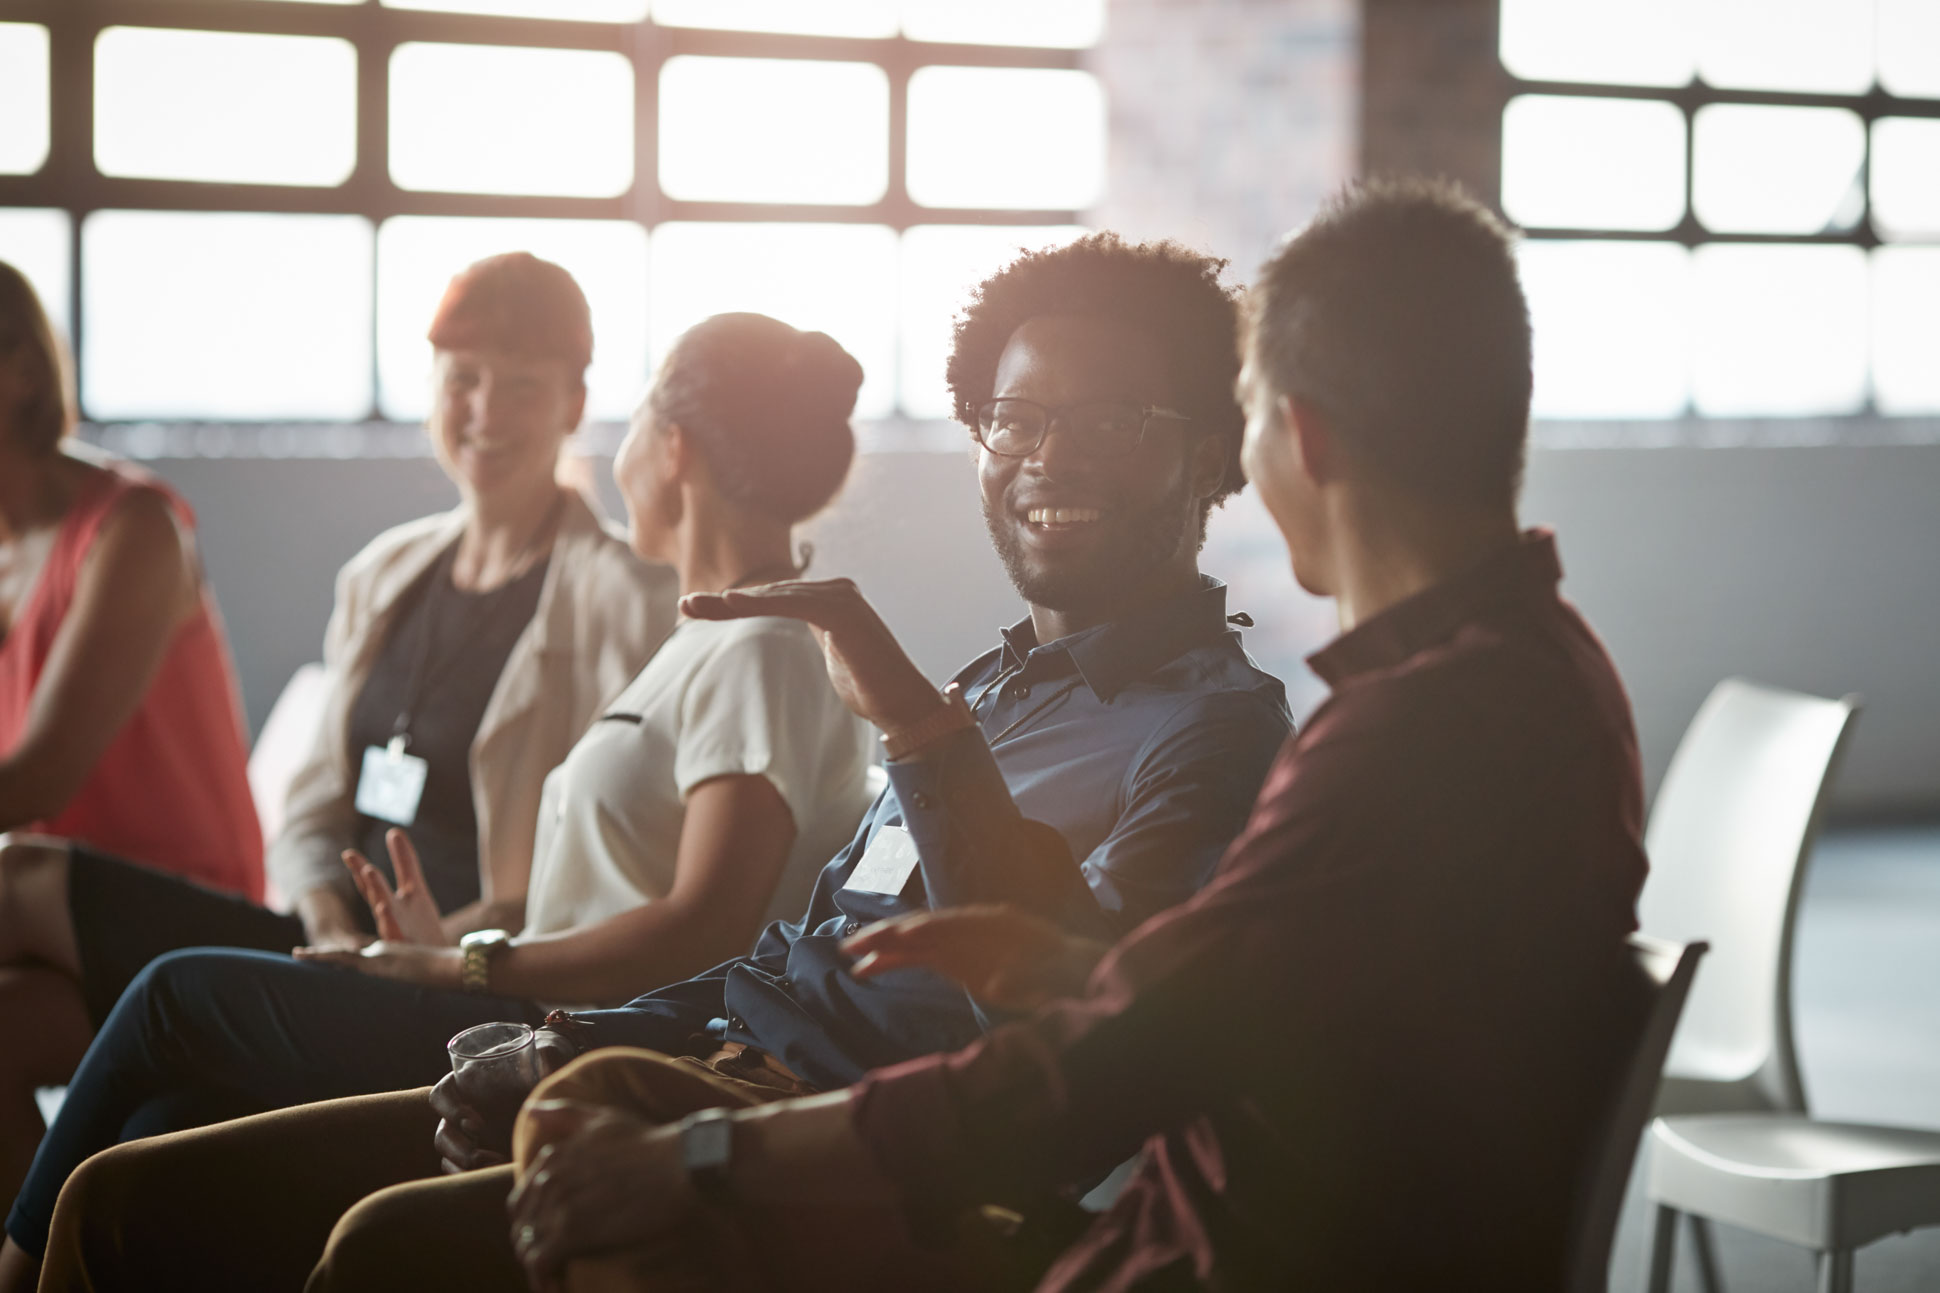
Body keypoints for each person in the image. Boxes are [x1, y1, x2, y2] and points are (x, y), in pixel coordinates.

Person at [24, 233, 1294, 1293]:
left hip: (831, 1155)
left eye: (1112, 422)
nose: (1050, 457)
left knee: (374, 1245)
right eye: (1015, 416)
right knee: (134, 1192)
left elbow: (1088, 1020)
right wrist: (561, 1040)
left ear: (1207, 455)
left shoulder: (1213, 728)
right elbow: (778, 961)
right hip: (685, 1066)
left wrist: (917, 729)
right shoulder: (990, 684)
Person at [498, 179, 1656, 1293]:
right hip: (1111, 1202)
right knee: (564, 1120)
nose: (1054, 460)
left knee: (446, 1228)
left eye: (1231, 421)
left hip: (1150, 1258)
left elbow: (1093, 1079)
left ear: (1283, 436)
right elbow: (1222, 997)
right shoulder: (1541, 676)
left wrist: (698, 1157)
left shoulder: (1402, 738)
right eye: (1017, 422)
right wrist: (1074, 966)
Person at [0, 310, 881, 1291]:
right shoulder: (709, 638)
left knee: (170, 993)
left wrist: (464, 961)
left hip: (555, 1029)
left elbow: (703, 925)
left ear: (669, 448)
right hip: (518, 998)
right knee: (159, 1127)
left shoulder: (762, 648)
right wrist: (440, 947)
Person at [0, 258, 263, 1196]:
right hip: (42, 923)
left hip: (183, 913)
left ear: (22, 371)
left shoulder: (133, 528)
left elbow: (34, 783)